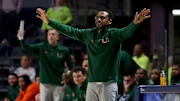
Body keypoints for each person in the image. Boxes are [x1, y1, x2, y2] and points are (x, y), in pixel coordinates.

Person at [36, 8, 151, 101]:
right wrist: (49, 22)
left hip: (108, 84)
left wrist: (135, 23)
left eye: (102, 17)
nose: (99, 19)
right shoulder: (89, 34)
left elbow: (127, 31)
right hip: (91, 84)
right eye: (97, 17)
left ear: (109, 21)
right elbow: (70, 30)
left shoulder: (115, 35)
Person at [17, 29, 74, 101]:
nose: (50, 36)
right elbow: (27, 48)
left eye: (53, 34)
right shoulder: (42, 47)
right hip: (45, 83)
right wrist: (21, 38)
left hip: (58, 83)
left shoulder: (64, 50)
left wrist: (68, 77)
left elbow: (71, 66)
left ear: (57, 37)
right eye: (49, 34)